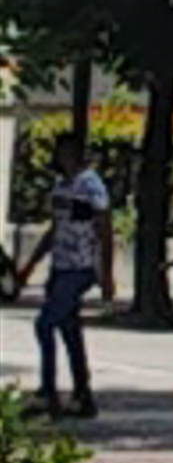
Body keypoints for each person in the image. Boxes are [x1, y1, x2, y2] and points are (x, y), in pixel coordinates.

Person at [32, 155, 113, 414]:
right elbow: (55, 229)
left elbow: (105, 230)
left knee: (45, 324)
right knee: (69, 330)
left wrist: (106, 273)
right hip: (61, 265)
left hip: (81, 266)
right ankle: (83, 394)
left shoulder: (92, 186)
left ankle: (48, 392)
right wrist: (31, 264)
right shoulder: (61, 186)